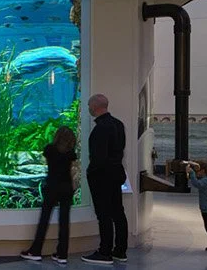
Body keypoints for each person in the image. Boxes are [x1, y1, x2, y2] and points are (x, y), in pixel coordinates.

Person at [21, 126, 79, 264]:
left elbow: (48, 165)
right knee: (64, 222)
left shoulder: (49, 149)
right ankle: (62, 254)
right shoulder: (71, 153)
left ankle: (36, 251)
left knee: (44, 219)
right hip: (66, 188)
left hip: (52, 186)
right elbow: (72, 170)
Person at [82, 94, 128, 265]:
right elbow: (119, 151)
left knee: (104, 215)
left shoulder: (101, 128)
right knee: (118, 212)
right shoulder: (118, 124)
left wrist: (90, 173)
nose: (88, 109)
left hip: (102, 177)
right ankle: (120, 250)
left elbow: (98, 157)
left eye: (88, 106)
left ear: (95, 107)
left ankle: (104, 251)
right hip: (116, 175)